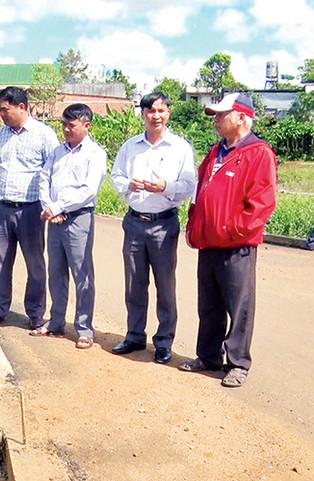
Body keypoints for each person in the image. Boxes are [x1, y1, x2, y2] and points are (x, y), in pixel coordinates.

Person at [180, 93, 277, 388]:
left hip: (236, 245)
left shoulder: (259, 153)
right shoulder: (215, 152)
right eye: (215, 115)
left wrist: (233, 231)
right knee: (208, 305)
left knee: (239, 307)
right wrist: (195, 224)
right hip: (209, 242)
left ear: (241, 118)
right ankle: (208, 357)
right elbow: (201, 192)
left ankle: (237, 363)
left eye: (222, 114)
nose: (216, 119)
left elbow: (262, 203)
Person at [110, 92, 196, 364]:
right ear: (143, 114)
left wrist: (166, 187)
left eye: (160, 110)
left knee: (165, 285)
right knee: (134, 284)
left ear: (168, 113)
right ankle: (135, 335)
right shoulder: (130, 146)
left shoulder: (180, 148)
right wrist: (128, 185)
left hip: (164, 223)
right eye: (150, 111)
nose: (155, 116)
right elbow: (116, 176)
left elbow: (189, 185)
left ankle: (163, 342)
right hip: (134, 222)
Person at [30, 103, 106, 349]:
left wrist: (59, 207)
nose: (65, 129)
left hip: (79, 218)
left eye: (71, 125)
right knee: (56, 273)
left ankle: (84, 329)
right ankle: (56, 322)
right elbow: (44, 178)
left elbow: (88, 190)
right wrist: (50, 207)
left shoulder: (95, 153)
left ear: (86, 126)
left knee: (82, 274)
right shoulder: (57, 152)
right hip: (54, 219)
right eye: (63, 124)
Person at [0, 86, 59, 329]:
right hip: (3, 207)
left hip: (31, 210)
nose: (1, 114)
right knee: (1, 261)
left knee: (35, 263)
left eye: (4, 109)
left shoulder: (44, 135)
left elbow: (54, 170)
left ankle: (36, 314)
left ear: (21, 107)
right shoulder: (0, 135)